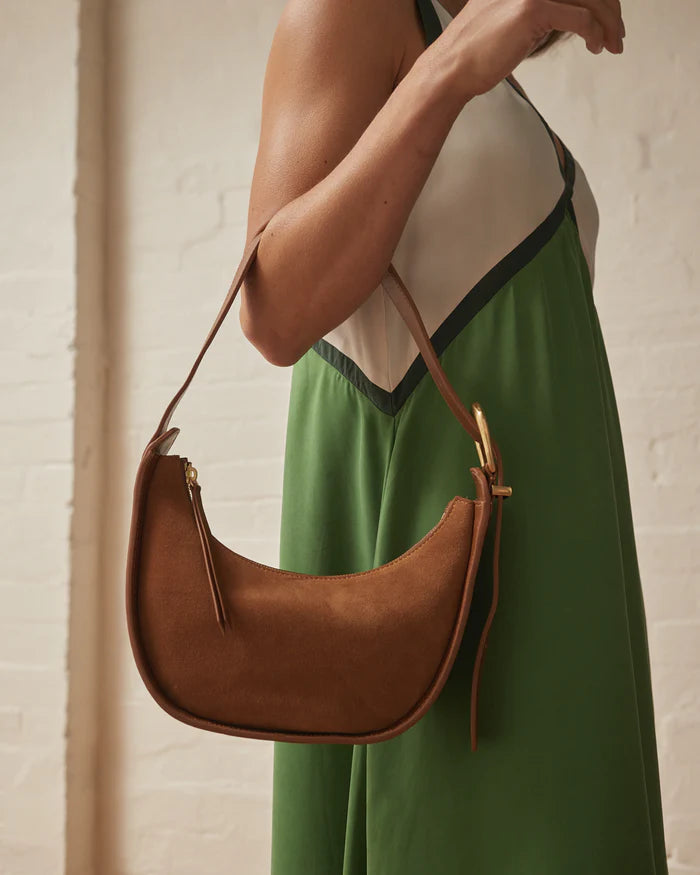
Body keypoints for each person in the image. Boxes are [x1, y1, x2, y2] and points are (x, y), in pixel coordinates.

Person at [240, 0, 669, 872]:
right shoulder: (354, 13)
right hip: (447, 593)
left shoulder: (494, 73)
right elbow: (273, 308)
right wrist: (449, 66)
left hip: (553, 579)